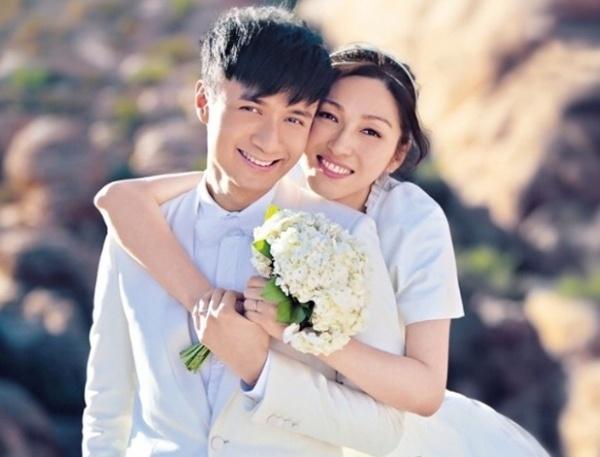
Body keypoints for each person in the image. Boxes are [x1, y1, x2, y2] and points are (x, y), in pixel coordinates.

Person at [94, 38, 552, 456]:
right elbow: (140, 197)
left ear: (397, 154)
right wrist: (206, 307)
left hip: (392, 428)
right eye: (328, 117)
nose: (340, 145)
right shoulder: (278, 175)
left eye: (370, 132)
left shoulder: (410, 221)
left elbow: (425, 390)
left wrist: (301, 331)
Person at [82, 7, 411, 457]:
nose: (269, 140)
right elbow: (106, 403)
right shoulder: (139, 229)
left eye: (294, 118)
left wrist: (262, 372)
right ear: (204, 102)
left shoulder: (344, 235)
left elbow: (383, 431)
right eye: (251, 108)